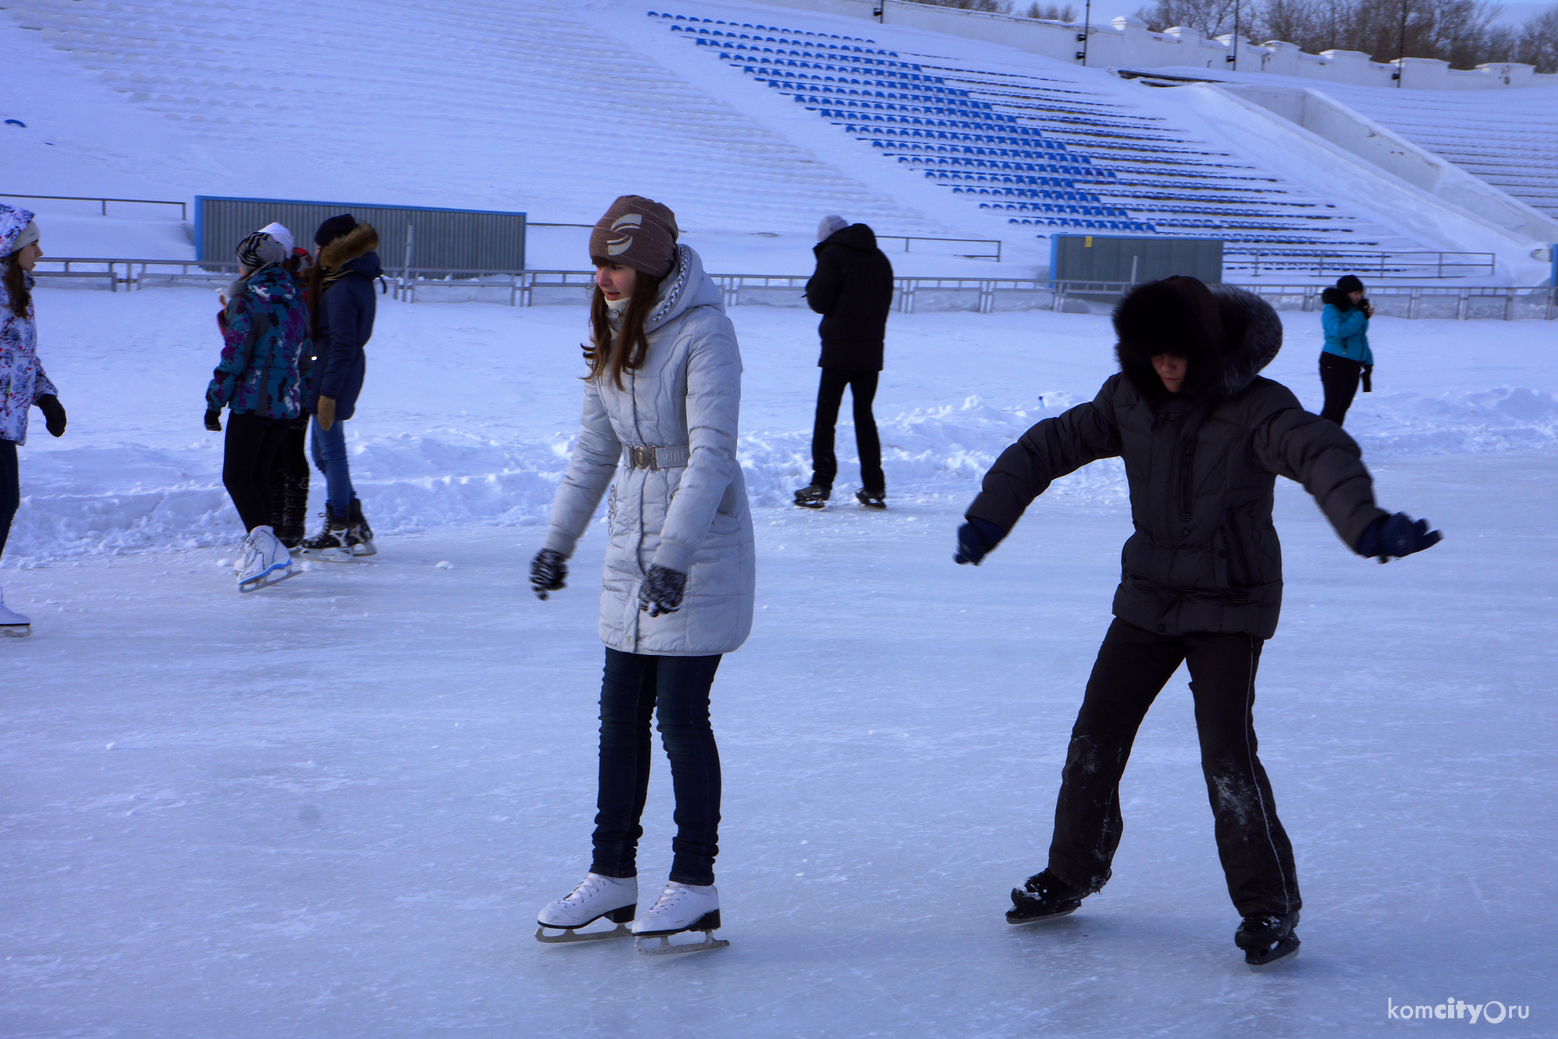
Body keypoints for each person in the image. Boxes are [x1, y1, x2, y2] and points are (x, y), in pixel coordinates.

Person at [953, 276, 1440, 969]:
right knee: (1095, 734)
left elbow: (1317, 451)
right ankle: (1074, 869)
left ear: (1210, 346)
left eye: (1181, 352)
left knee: (1226, 756)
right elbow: (1046, 447)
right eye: (1154, 353)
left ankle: (1269, 903)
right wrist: (988, 515)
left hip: (1229, 603)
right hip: (1149, 597)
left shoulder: (1258, 406)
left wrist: (1365, 524)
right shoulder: (1129, 397)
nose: (1168, 366)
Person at [530, 195, 755, 954]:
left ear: (652, 264)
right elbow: (594, 451)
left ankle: (695, 882)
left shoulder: (706, 333)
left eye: (616, 263)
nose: (602, 277)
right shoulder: (612, 333)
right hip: (632, 546)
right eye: (596, 263)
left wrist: (675, 557)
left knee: (681, 719)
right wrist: (559, 542)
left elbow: (713, 454)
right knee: (618, 717)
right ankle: (612, 875)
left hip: (697, 546)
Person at [205, 225, 310, 592]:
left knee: (236, 476)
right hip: (286, 404)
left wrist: (215, 400)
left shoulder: (247, 300)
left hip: (252, 401)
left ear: (249, 264)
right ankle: (267, 548)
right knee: (259, 476)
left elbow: (234, 356)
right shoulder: (295, 298)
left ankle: (266, 549)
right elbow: (303, 353)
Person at [793, 214, 894, 510]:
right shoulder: (880, 258)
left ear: (827, 235)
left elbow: (820, 301)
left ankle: (820, 484)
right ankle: (874, 487)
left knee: (826, 418)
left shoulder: (833, 255)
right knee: (865, 417)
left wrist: (813, 286)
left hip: (838, 350)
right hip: (871, 351)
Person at [0, 205, 66, 635]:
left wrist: (46, 398)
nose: (40, 251)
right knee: (3, 501)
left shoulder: (17, 296)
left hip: (5, 421)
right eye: (33, 243)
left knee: (6, 501)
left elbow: (23, 358)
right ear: (12, 249)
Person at [298, 214, 379, 561]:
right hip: (330, 369)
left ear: (334, 247)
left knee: (330, 453)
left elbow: (343, 343)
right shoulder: (346, 276)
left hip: (334, 372)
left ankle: (339, 527)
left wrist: (328, 393)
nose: (316, 252)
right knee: (323, 454)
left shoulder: (345, 284)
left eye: (319, 246)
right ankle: (352, 520)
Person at [267, 239, 316, 548]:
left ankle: (292, 522)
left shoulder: (302, 289)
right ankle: (277, 521)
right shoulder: (280, 287)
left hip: (297, 382)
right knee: (274, 454)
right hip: (278, 383)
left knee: (289, 451)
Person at [1318, 274, 1373, 426]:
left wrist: (1368, 362)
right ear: (1345, 293)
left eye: (1360, 293)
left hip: (1353, 364)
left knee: (1343, 407)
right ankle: (1317, 440)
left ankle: (1334, 440)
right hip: (1334, 362)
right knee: (1332, 406)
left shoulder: (1356, 310)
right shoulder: (1332, 308)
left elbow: (1361, 338)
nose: (1358, 297)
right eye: (1355, 293)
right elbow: (1339, 331)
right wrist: (1360, 316)